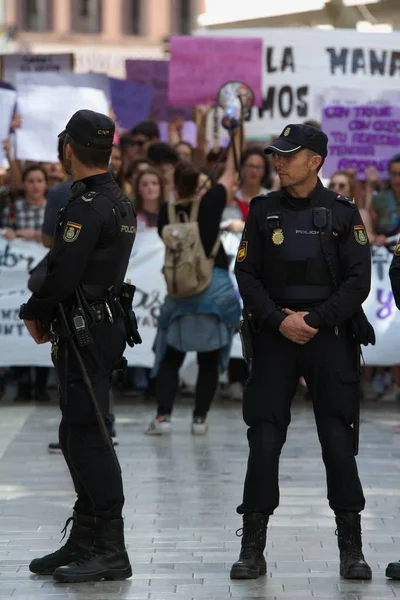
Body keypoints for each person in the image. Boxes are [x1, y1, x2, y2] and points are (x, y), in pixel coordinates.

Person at [231, 123, 372, 581]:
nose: (278, 161)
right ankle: (252, 546)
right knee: (265, 439)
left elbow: (358, 281)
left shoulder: (342, 212)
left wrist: (314, 321)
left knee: (336, 439)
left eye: (288, 155)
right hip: (276, 336)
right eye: (276, 154)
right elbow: (246, 274)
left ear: (315, 161)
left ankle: (351, 548)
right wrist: (278, 321)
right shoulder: (262, 210)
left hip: (327, 336)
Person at [18, 110, 137, 583]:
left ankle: (111, 545)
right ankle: (87, 535)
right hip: (97, 326)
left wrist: (34, 310)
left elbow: (64, 270)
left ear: (67, 148)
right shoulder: (115, 199)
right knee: (76, 432)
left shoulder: (88, 206)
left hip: (86, 328)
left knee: (88, 435)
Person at [145, 148, 241, 436]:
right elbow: (229, 175)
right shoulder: (211, 205)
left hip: (179, 298)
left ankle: (163, 417)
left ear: (174, 186)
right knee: (209, 360)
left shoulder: (166, 213)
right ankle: (199, 419)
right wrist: (234, 134)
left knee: (170, 358)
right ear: (201, 186)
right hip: (212, 296)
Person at [134, 167, 165, 231]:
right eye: (145, 184)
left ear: (161, 188)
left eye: (154, 183)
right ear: (138, 189)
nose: (150, 187)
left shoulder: (169, 214)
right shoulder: (131, 217)